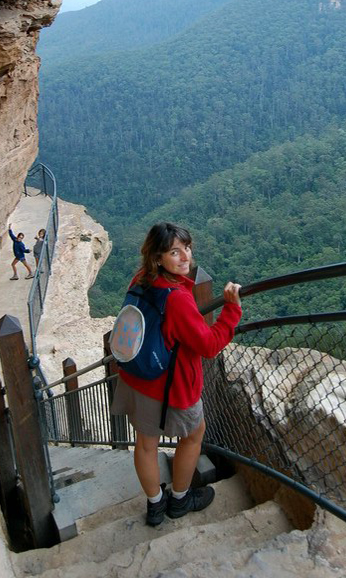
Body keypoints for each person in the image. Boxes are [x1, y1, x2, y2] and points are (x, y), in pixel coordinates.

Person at [111, 221, 242, 526]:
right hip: (172, 386)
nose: (186, 257)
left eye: (187, 248)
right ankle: (179, 500)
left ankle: (155, 506)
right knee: (194, 434)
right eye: (174, 252)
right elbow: (208, 345)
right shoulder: (177, 298)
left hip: (135, 377)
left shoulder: (140, 278)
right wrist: (232, 310)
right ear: (158, 257)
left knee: (145, 444)